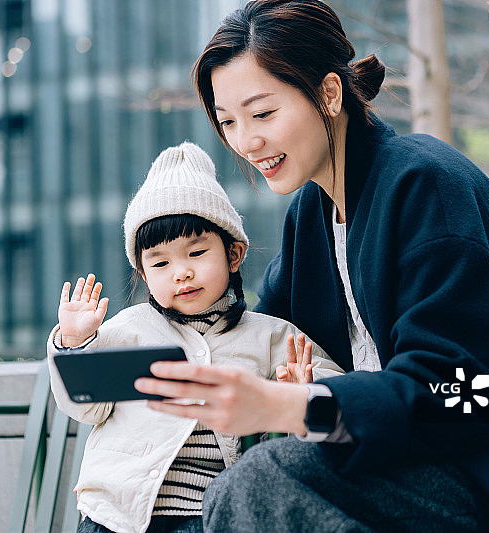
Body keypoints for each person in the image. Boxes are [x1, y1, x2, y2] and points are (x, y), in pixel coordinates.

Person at [132, 1, 489, 531]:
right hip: (409, 469)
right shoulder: (312, 218)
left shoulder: (426, 183)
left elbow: (460, 391)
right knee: (213, 498)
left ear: (328, 94)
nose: (246, 141)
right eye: (228, 121)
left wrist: (293, 404)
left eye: (263, 113)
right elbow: (261, 334)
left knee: (263, 480)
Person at [46, 141, 344, 533]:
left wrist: (302, 393)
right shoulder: (127, 330)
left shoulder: (268, 335)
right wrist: (75, 343)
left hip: (210, 515)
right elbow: (87, 407)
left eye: (196, 253)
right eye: (161, 262)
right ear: (143, 272)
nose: (180, 272)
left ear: (233, 255)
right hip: (117, 512)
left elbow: (340, 393)